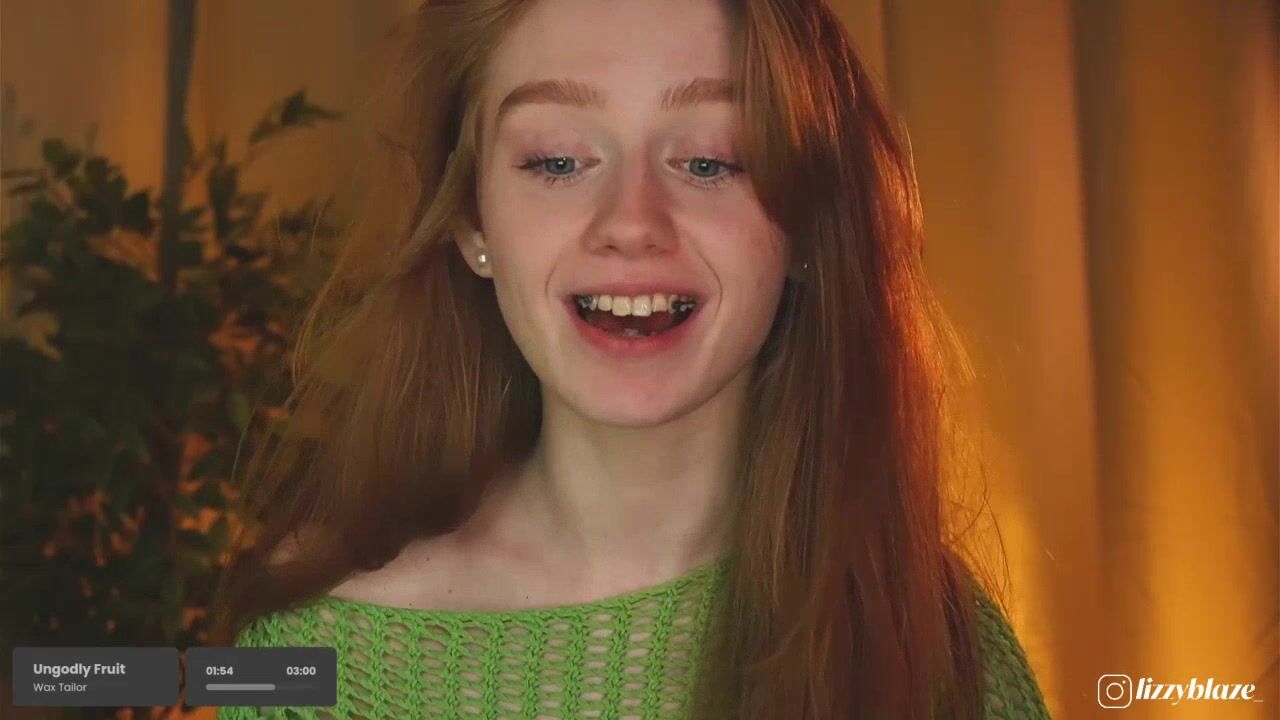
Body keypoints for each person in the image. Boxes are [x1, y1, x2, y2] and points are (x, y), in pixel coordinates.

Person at [210, 0, 1052, 718]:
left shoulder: (939, 648)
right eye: (558, 161)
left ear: (805, 221)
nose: (632, 222)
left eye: (710, 161)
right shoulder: (303, 662)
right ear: (471, 221)